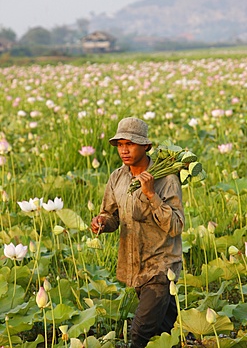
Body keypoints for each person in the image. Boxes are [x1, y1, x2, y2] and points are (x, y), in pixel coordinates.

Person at [91, 117, 185, 348]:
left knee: (139, 333)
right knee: (164, 330)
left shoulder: (167, 179)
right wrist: (102, 222)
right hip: (135, 265)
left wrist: (152, 195)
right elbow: (111, 215)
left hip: (161, 266)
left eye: (130, 144)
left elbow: (175, 226)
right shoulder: (117, 177)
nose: (124, 150)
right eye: (120, 144)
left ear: (146, 147)